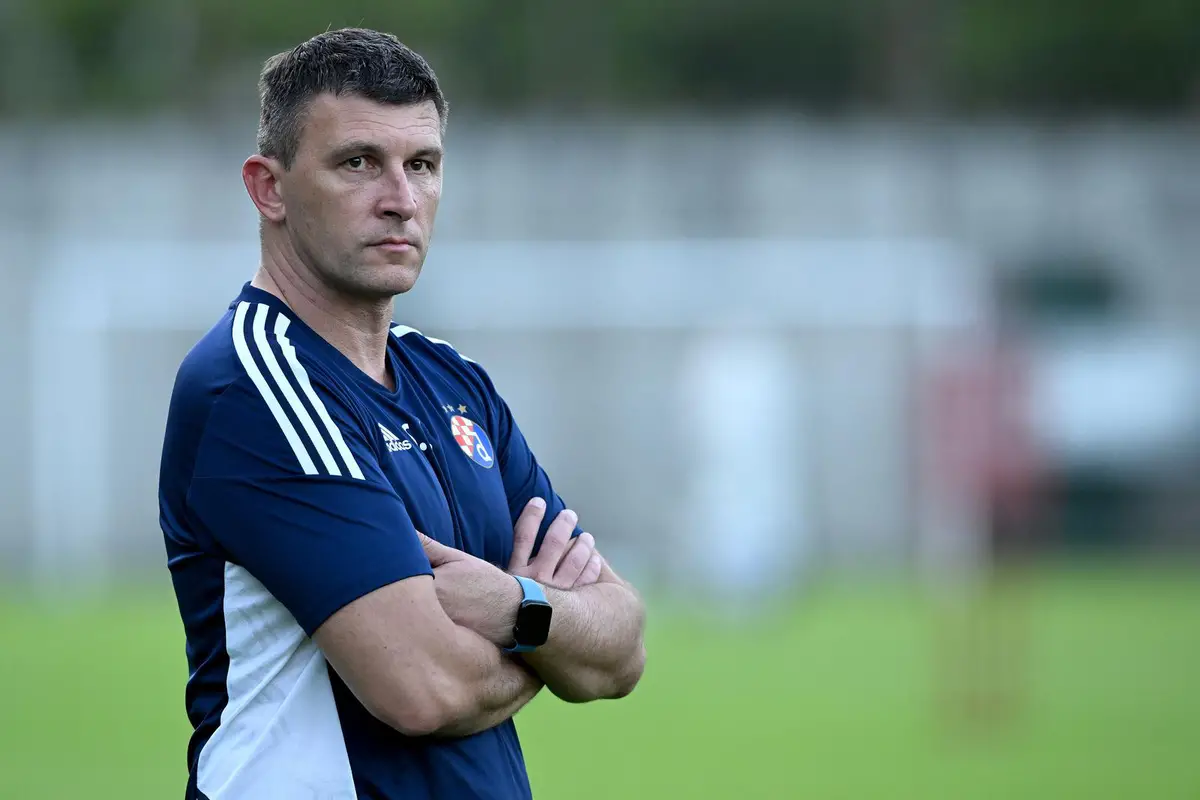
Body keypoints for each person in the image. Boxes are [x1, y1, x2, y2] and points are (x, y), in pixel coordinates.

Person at [157, 27, 646, 800]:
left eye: (422, 164)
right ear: (269, 188)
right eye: (358, 163)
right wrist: (549, 642)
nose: (401, 200)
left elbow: (621, 648)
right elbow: (424, 688)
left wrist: (515, 606)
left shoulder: (455, 382)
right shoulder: (253, 387)